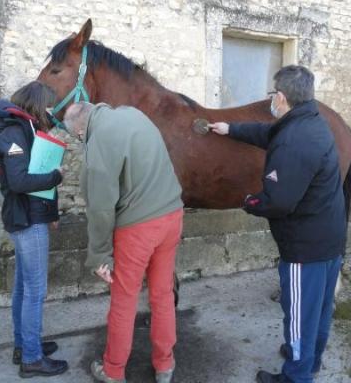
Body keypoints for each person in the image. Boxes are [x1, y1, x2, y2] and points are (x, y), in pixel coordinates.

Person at [208, 65, 346, 383]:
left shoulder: (295, 140)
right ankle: (310, 361)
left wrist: (249, 202)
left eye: (273, 94)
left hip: (304, 249)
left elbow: (279, 202)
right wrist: (231, 129)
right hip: (328, 240)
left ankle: (296, 376)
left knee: (299, 316)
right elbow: (268, 133)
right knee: (319, 311)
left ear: (281, 98)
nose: (271, 99)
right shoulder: (312, 121)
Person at [64, 101, 183, 383]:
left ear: (80, 132)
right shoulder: (134, 114)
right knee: (162, 293)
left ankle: (113, 370)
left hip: (138, 228)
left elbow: (100, 207)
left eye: (77, 138)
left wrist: (100, 255)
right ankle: (165, 365)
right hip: (172, 215)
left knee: (124, 299)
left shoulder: (98, 141)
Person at [0, 81, 68, 378]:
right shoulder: (16, 132)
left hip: (26, 217)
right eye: (48, 105)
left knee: (22, 288)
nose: (50, 111)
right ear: (35, 104)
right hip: (26, 221)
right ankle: (31, 358)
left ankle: (25, 344)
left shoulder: (20, 128)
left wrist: (51, 210)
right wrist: (55, 177)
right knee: (35, 291)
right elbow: (20, 183)